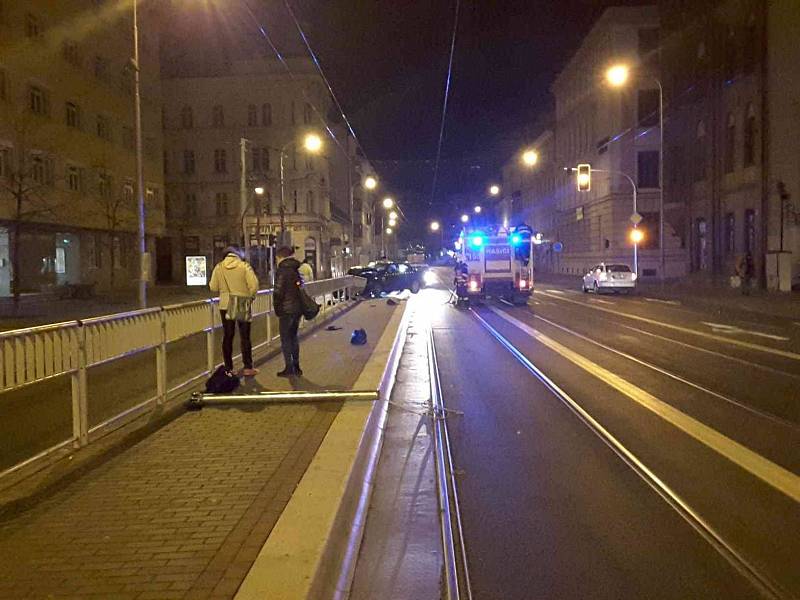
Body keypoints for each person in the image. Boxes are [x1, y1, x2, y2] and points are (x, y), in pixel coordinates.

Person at [209, 246, 259, 376]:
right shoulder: (244, 266)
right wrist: (250, 297)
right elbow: (254, 285)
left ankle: (228, 368)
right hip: (241, 303)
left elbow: (213, 286)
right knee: (245, 336)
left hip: (225, 305)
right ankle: (248, 367)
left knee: (228, 336)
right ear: (237, 254)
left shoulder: (219, 267)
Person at [273, 246, 303, 377]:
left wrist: (277, 307)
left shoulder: (282, 270)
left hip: (286, 310)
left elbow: (278, 291)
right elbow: (300, 287)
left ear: (280, 256)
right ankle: (297, 366)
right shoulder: (296, 269)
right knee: (294, 337)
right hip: (297, 308)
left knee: (285, 339)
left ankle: (288, 367)